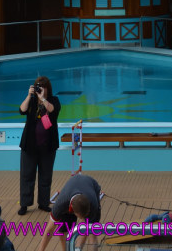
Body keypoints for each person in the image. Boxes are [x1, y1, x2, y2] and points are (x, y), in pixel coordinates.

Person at [19, 75, 61, 215]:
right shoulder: (31, 101)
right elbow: (22, 110)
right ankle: (25, 204)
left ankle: (43, 203)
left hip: (47, 147)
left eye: (42, 88)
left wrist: (43, 98)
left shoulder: (53, 100)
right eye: (37, 87)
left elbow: (52, 110)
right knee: (27, 176)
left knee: (45, 176)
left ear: (48, 89)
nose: (39, 90)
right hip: (29, 146)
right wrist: (29, 95)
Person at [38, 173, 102, 251]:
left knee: (92, 233)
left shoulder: (93, 204)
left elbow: (85, 229)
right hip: (71, 193)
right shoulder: (60, 204)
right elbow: (49, 230)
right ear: (72, 210)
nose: (82, 219)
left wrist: (77, 248)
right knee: (63, 231)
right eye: (80, 216)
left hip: (91, 185)